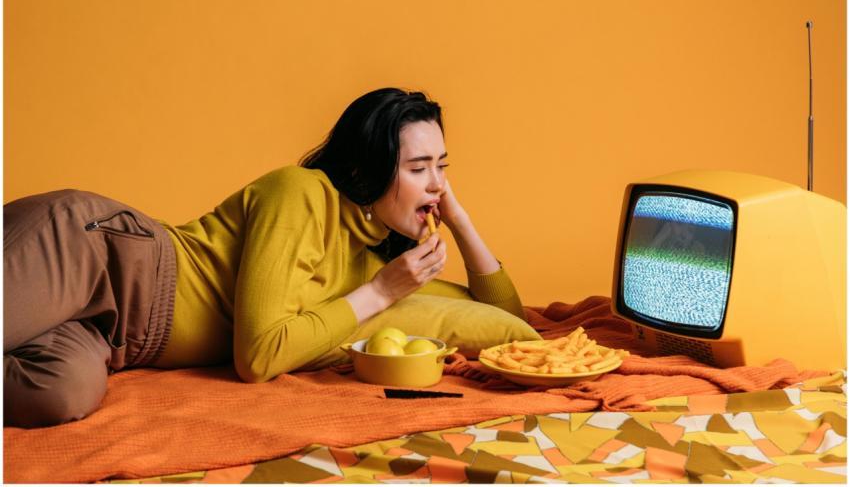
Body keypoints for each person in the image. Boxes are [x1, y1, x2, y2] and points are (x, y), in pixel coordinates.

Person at [4, 88, 526, 429]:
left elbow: (511, 322)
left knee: (60, 395)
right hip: (93, 253)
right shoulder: (300, 194)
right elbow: (257, 357)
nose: (436, 184)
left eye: (443, 167)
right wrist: (382, 293)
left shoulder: (376, 261)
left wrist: (459, 220)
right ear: (369, 170)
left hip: (109, 336)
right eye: (418, 168)